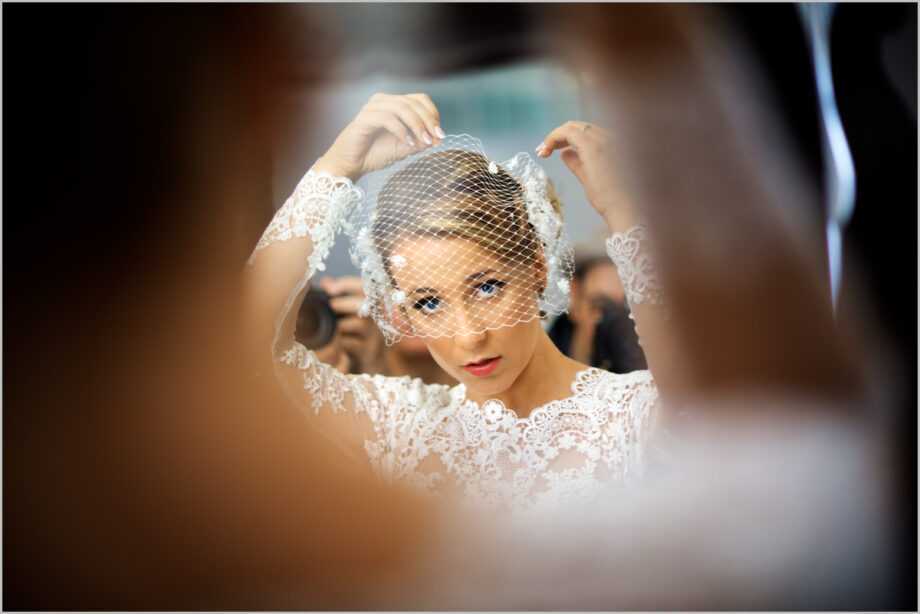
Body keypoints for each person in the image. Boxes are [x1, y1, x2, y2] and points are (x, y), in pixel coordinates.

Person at [242, 93, 672, 510]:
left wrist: (624, 210)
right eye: (428, 302)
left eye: (487, 287)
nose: (469, 335)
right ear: (401, 310)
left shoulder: (637, 415)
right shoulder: (396, 429)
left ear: (538, 268)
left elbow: (710, 398)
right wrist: (336, 168)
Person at [548, 243, 647, 372]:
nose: (614, 321)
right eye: (602, 306)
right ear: (575, 292)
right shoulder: (547, 354)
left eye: (624, 308)